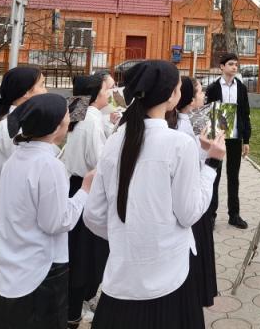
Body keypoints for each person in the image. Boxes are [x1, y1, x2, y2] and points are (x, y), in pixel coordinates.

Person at [83, 61, 226, 329]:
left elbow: (93, 215)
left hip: (120, 284)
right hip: (170, 282)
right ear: (172, 95)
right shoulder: (179, 144)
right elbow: (189, 213)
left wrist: (129, 235)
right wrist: (213, 164)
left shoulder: (115, 140)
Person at [0, 93, 95, 329]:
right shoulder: (49, 165)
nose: (71, 119)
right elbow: (57, 222)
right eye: (67, 115)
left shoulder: (15, 160)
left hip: (12, 266)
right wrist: (85, 190)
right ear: (56, 126)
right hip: (42, 271)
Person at [0, 66, 45, 329]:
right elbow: (28, 172)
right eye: (42, 85)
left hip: (6, 221)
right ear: (26, 93)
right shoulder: (12, 126)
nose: (46, 90)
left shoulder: (17, 121)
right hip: (2, 225)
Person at [62, 74, 113, 328]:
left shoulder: (83, 116)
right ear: (95, 94)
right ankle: (75, 310)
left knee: (79, 252)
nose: (111, 94)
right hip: (86, 189)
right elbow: (99, 161)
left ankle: (77, 303)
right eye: (107, 89)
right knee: (85, 255)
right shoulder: (90, 119)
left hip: (76, 185)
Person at [171, 76, 218, 307]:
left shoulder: (191, 119)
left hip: (191, 194)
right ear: (189, 99)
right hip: (192, 199)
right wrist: (211, 153)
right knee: (195, 252)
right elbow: (194, 163)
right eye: (200, 92)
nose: (204, 96)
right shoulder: (185, 127)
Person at [205, 52, 251, 229]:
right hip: (218, 137)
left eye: (236, 64)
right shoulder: (213, 88)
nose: (234, 67)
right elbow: (207, 112)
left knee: (233, 176)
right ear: (222, 67)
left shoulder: (241, 88)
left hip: (235, 137)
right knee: (214, 175)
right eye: (231, 64)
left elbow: (245, 113)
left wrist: (246, 139)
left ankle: (234, 215)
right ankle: (211, 215)